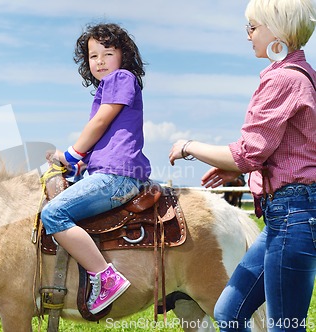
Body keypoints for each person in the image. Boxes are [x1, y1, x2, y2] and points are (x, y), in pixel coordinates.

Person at [169, 0, 316, 330]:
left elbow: (248, 152)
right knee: (228, 312)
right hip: (288, 215)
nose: (247, 36)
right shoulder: (303, 75)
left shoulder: (283, 81)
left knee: (285, 326)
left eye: (252, 27)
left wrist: (188, 147)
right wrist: (238, 169)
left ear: (276, 30)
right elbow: (288, 150)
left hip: (294, 214)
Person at [41, 23, 151, 314]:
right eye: (93, 56)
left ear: (123, 56)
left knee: (53, 213)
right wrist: (76, 163)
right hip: (110, 171)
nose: (100, 61)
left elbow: (99, 123)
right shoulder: (108, 87)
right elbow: (104, 140)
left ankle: (105, 276)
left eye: (107, 53)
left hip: (117, 176)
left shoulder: (121, 78)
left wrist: (72, 152)